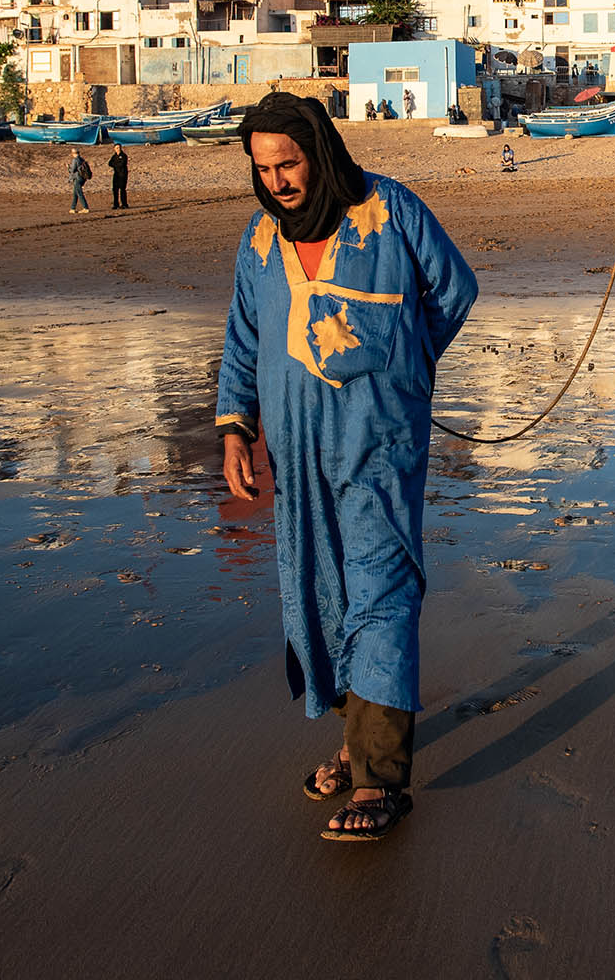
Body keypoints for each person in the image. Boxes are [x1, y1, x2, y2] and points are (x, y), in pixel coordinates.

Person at [216, 91, 477, 844]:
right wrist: (236, 430)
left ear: (320, 153)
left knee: (381, 587)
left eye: (289, 163)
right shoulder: (260, 240)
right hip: (294, 456)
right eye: (263, 169)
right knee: (322, 589)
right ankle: (355, 738)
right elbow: (242, 340)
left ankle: (381, 780)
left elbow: (453, 290)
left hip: (378, 445)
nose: (278, 182)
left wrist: (404, 371)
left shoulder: (389, 210)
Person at [67, 146, 92, 214]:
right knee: (75, 193)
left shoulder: (75, 160)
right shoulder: (82, 159)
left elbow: (72, 170)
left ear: (73, 153)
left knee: (79, 193)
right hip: (82, 178)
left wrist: (68, 167)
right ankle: (72, 208)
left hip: (77, 178)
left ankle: (85, 208)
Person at [108, 142, 130, 209]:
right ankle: (116, 204)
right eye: (117, 148)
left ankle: (124, 204)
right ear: (114, 149)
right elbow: (110, 163)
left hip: (123, 175)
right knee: (115, 190)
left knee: (122, 189)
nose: (118, 149)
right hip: (116, 175)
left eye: (119, 148)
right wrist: (116, 164)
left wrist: (115, 164)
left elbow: (122, 164)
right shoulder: (114, 156)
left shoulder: (124, 155)